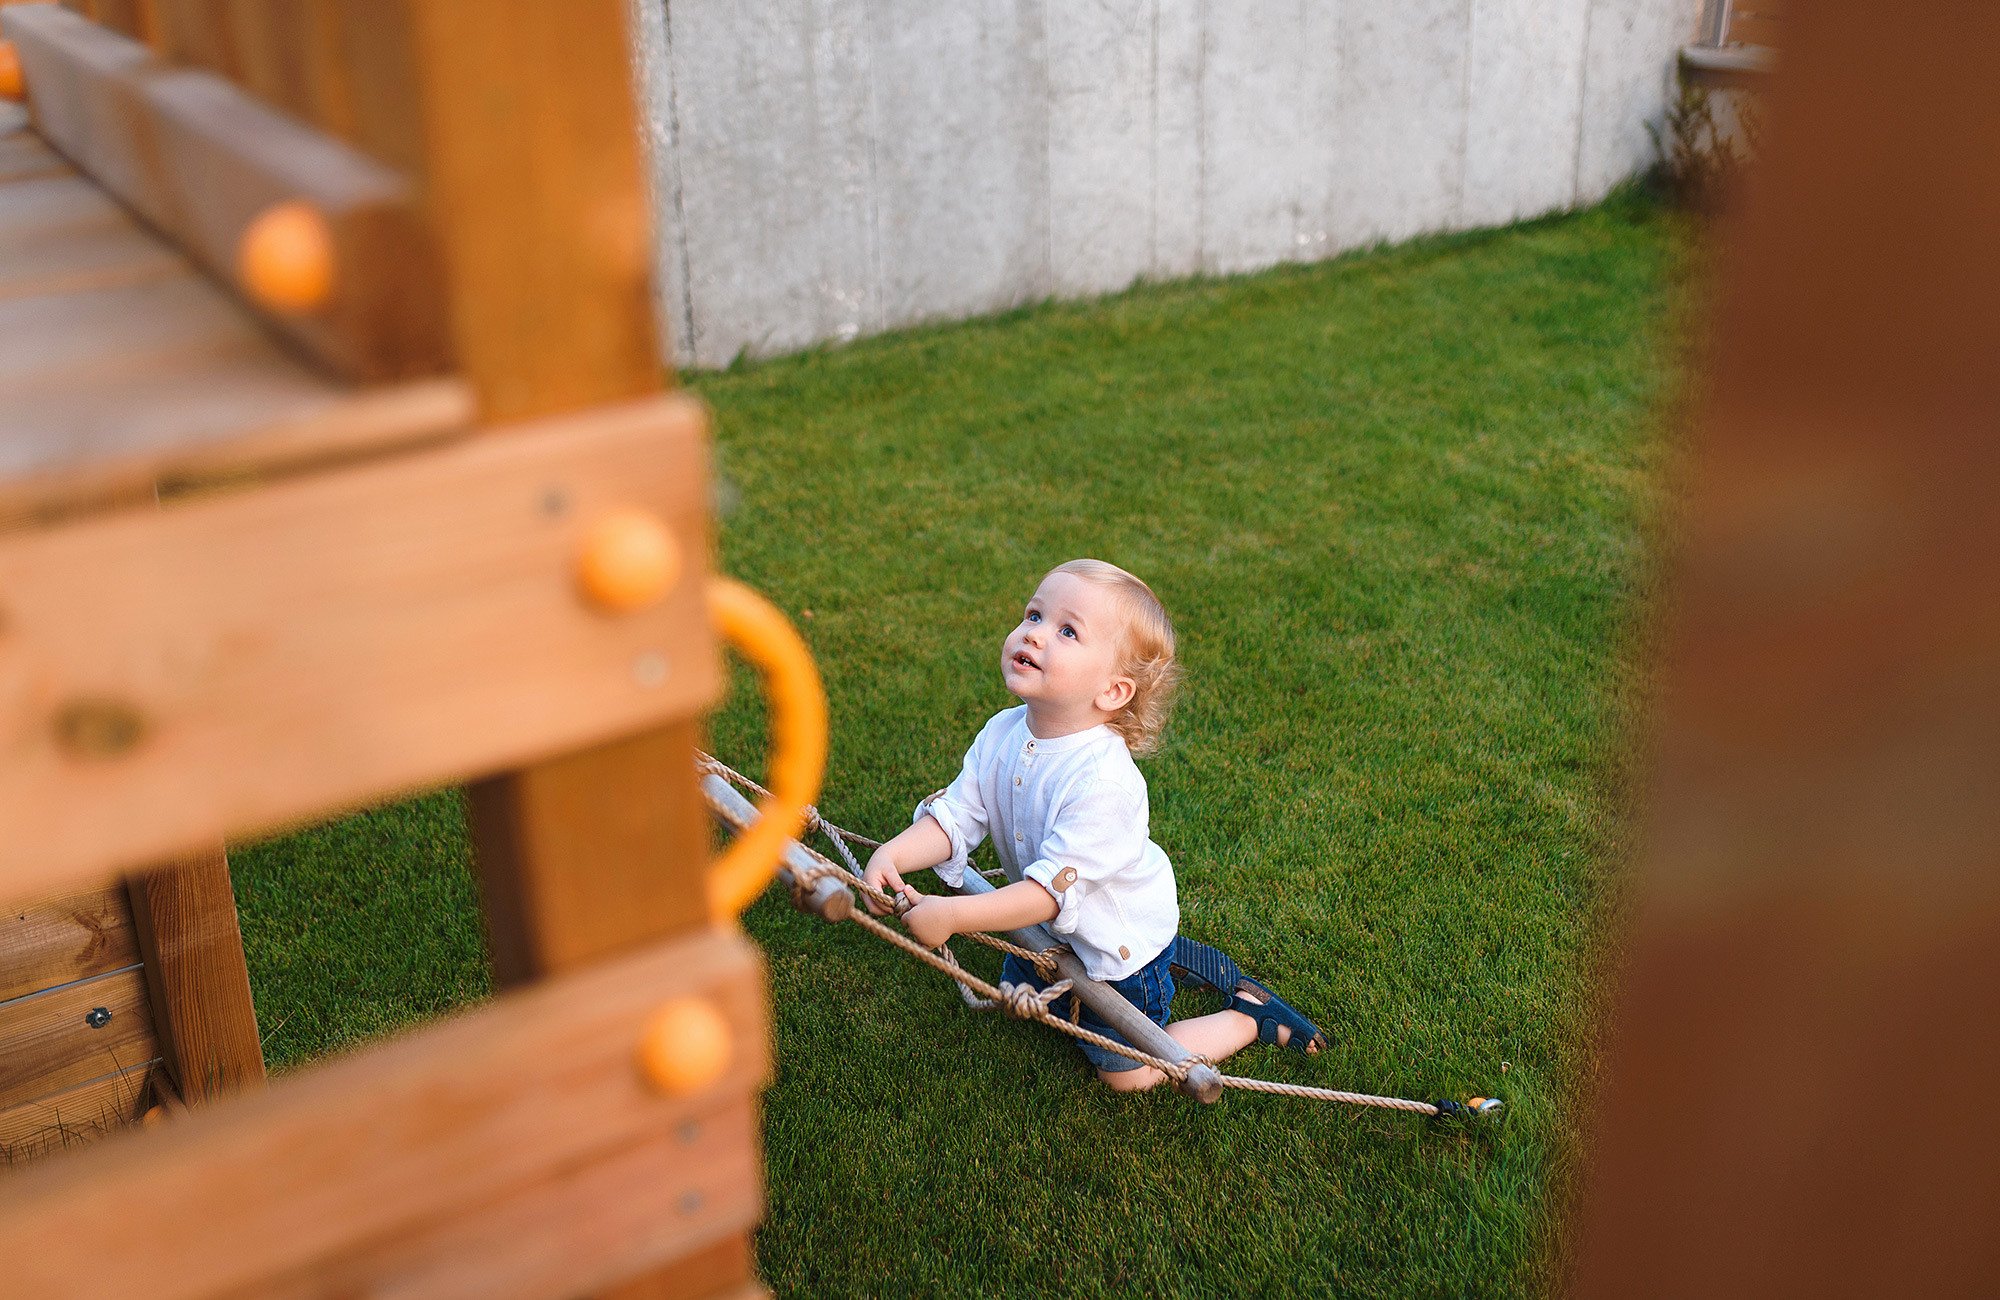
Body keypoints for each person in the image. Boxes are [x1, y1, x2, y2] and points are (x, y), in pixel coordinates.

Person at [862, 558, 1325, 1091]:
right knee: (1029, 1004)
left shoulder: (1105, 783)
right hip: (1047, 936)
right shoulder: (1002, 732)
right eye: (1034, 614)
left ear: (1112, 691)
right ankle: (1176, 962)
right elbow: (957, 818)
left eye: (1066, 630)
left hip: (1116, 952)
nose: (1033, 634)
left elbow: (1046, 894)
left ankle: (1246, 1016)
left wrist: (954, 914)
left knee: (1125, 1075)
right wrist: (892, 855)